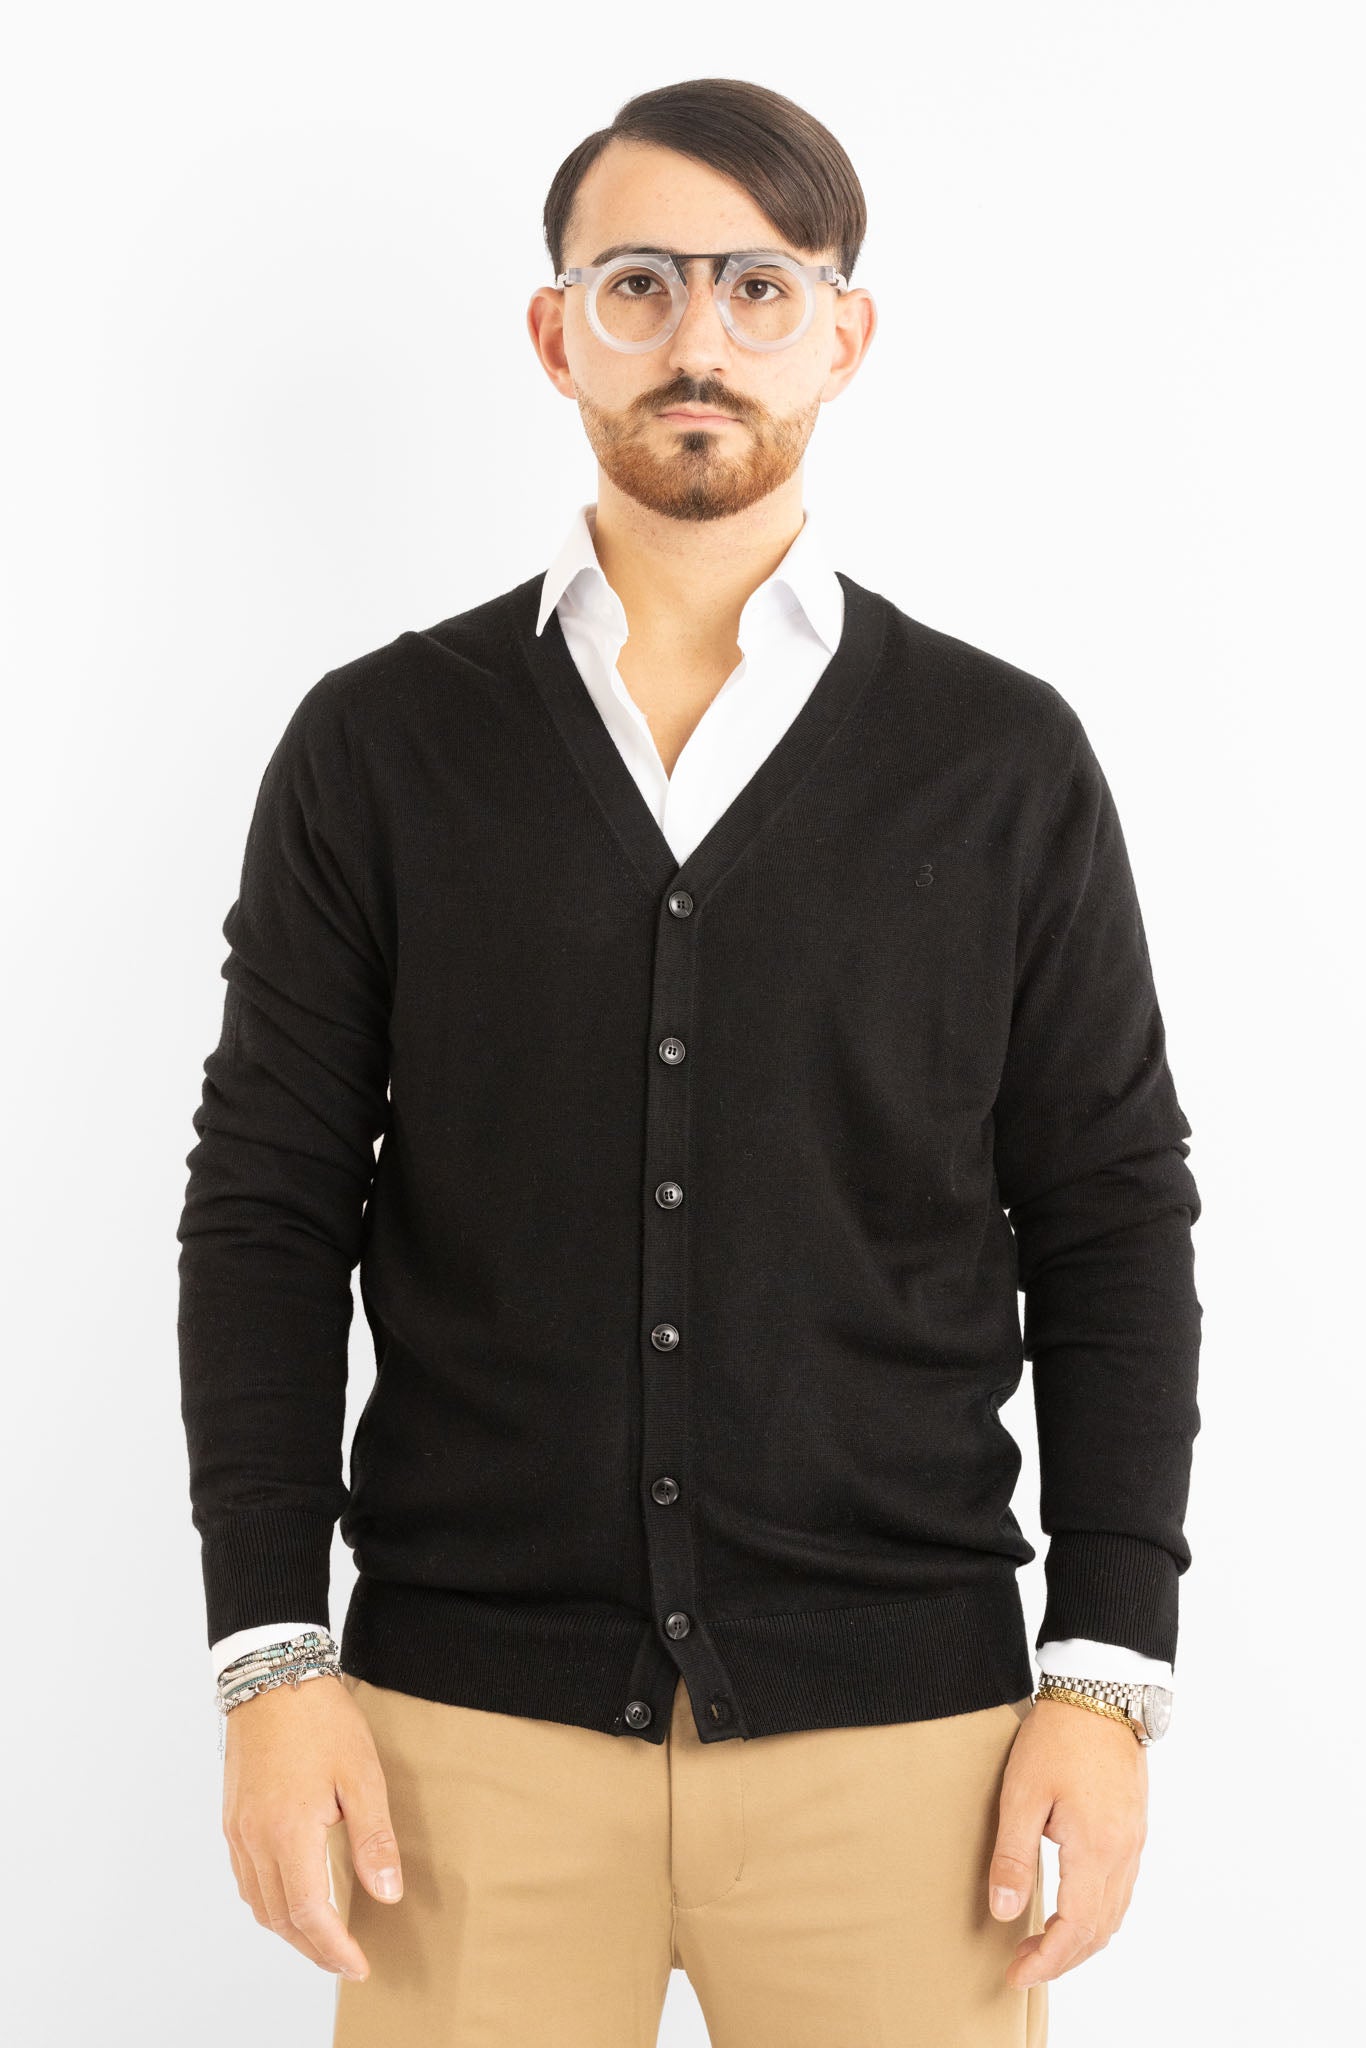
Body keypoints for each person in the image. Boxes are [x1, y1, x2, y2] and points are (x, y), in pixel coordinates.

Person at [177, 76, 1202, 2048]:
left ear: (842, 331)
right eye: (637, 283)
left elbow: (1108, 1222)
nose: (697, 336)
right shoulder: (382, 745)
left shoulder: (996, 759)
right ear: (555, 329)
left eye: (757, 283)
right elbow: (267, 1211)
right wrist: (269, 1659)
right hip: (455, 1744)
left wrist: (1102, 1674)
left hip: (908, 1751)